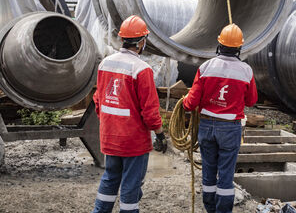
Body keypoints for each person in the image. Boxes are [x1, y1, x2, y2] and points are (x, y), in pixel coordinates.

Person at [92, 15, 167, 213]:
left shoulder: (105, 64)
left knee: (110, 179)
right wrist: (160, 134)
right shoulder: (142, 69)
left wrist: (111, 123)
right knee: (130, 188)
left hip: (110, 138)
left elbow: (98, 100)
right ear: (142, 42)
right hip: (133, 142)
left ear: (123, 39)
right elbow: (150, 112)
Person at [183, 23, 258, 213]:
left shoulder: (206, 67)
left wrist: (185, 103)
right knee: (225, 175)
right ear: (239, 48)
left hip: (207, 126)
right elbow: (251, 101)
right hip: (230, 128)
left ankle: (210, 209)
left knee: (208, 171)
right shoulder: (246, 71)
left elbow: (190, 103)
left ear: (219, 44)